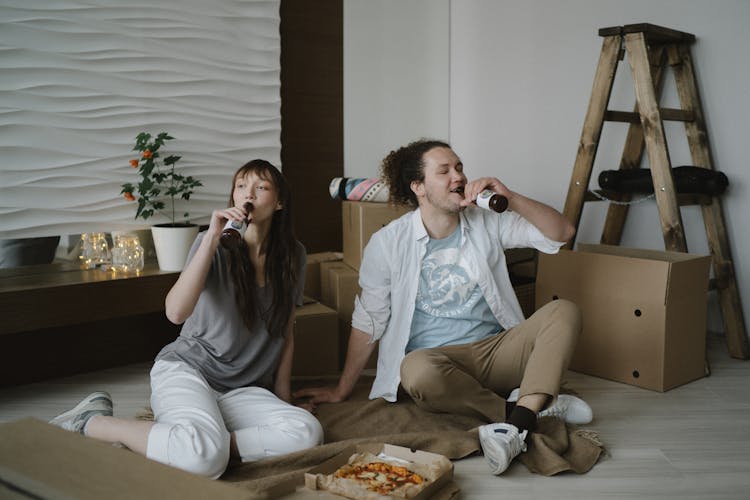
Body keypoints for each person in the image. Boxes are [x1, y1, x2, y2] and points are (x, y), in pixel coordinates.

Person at [294, 140, 592, 475]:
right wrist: (342, 389)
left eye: (460, 167)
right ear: (418, 187)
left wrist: (512, 197)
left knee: (564, 310)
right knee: (416, 369)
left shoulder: (488, 220)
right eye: (445, 170)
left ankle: (517, 423)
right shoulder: (388, 243)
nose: (458, 176)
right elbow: (369, 320)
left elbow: (562, 232)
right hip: (439, 364)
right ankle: (526, 410)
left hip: (497, 350)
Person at [50, 159, 323, 478]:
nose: (248, 194)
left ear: (279, 202)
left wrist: (284, 399)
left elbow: (285, 331)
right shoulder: (213, 246)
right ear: (233, 197)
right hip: (189, 370)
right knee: (204, 461)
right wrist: (210, 238)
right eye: (240, 186)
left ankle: (197, 442)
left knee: (307, 431)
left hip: (242, 389)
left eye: (260, 187)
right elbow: (175, 312)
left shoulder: (294, 256)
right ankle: (92, 422)